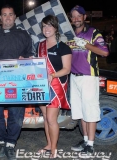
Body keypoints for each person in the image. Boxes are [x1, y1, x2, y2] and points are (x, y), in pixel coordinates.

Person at [0, 4, 34, 160]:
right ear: (0, 17)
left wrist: (25, 60)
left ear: (14, 17)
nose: (7, 17)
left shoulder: (24, 34)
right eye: (4, 15)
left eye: (10, 14)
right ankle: (1, 142)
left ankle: (11, 143)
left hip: (18, 82)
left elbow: (30, 56)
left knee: (16, 114)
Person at [68, 5, 109, 155]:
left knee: (90, 111)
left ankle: (90, 145)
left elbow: (104, 52)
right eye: (74, 16)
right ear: (71, 19)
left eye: (79, 15)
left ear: (85, 17)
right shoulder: (69, 33)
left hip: (88, 77)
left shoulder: (93, 32)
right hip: (74, 77)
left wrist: (86, 44)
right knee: (80, 111)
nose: (76, 18)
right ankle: (85, 140)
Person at [37, 15, 72, 158]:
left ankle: (54, 149)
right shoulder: (40, 45)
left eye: (50, 25)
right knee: (45, 117)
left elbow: (67, 69)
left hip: (56, 85)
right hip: (42, 85)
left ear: (56, 28)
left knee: (51, 119)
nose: (47, 29)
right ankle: (49, 144)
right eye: (44, 26)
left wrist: (53, 75)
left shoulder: (63, 47)